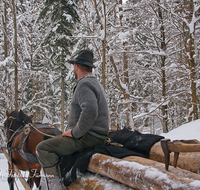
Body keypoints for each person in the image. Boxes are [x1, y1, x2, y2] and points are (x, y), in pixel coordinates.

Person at [36, 49, 109, 190]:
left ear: (76, 67)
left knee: (43, 148)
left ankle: (54, 187)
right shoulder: (94, 82)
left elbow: (90, 111)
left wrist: (75, 133)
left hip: (88, 137)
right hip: (93, 135)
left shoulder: (84, 84)